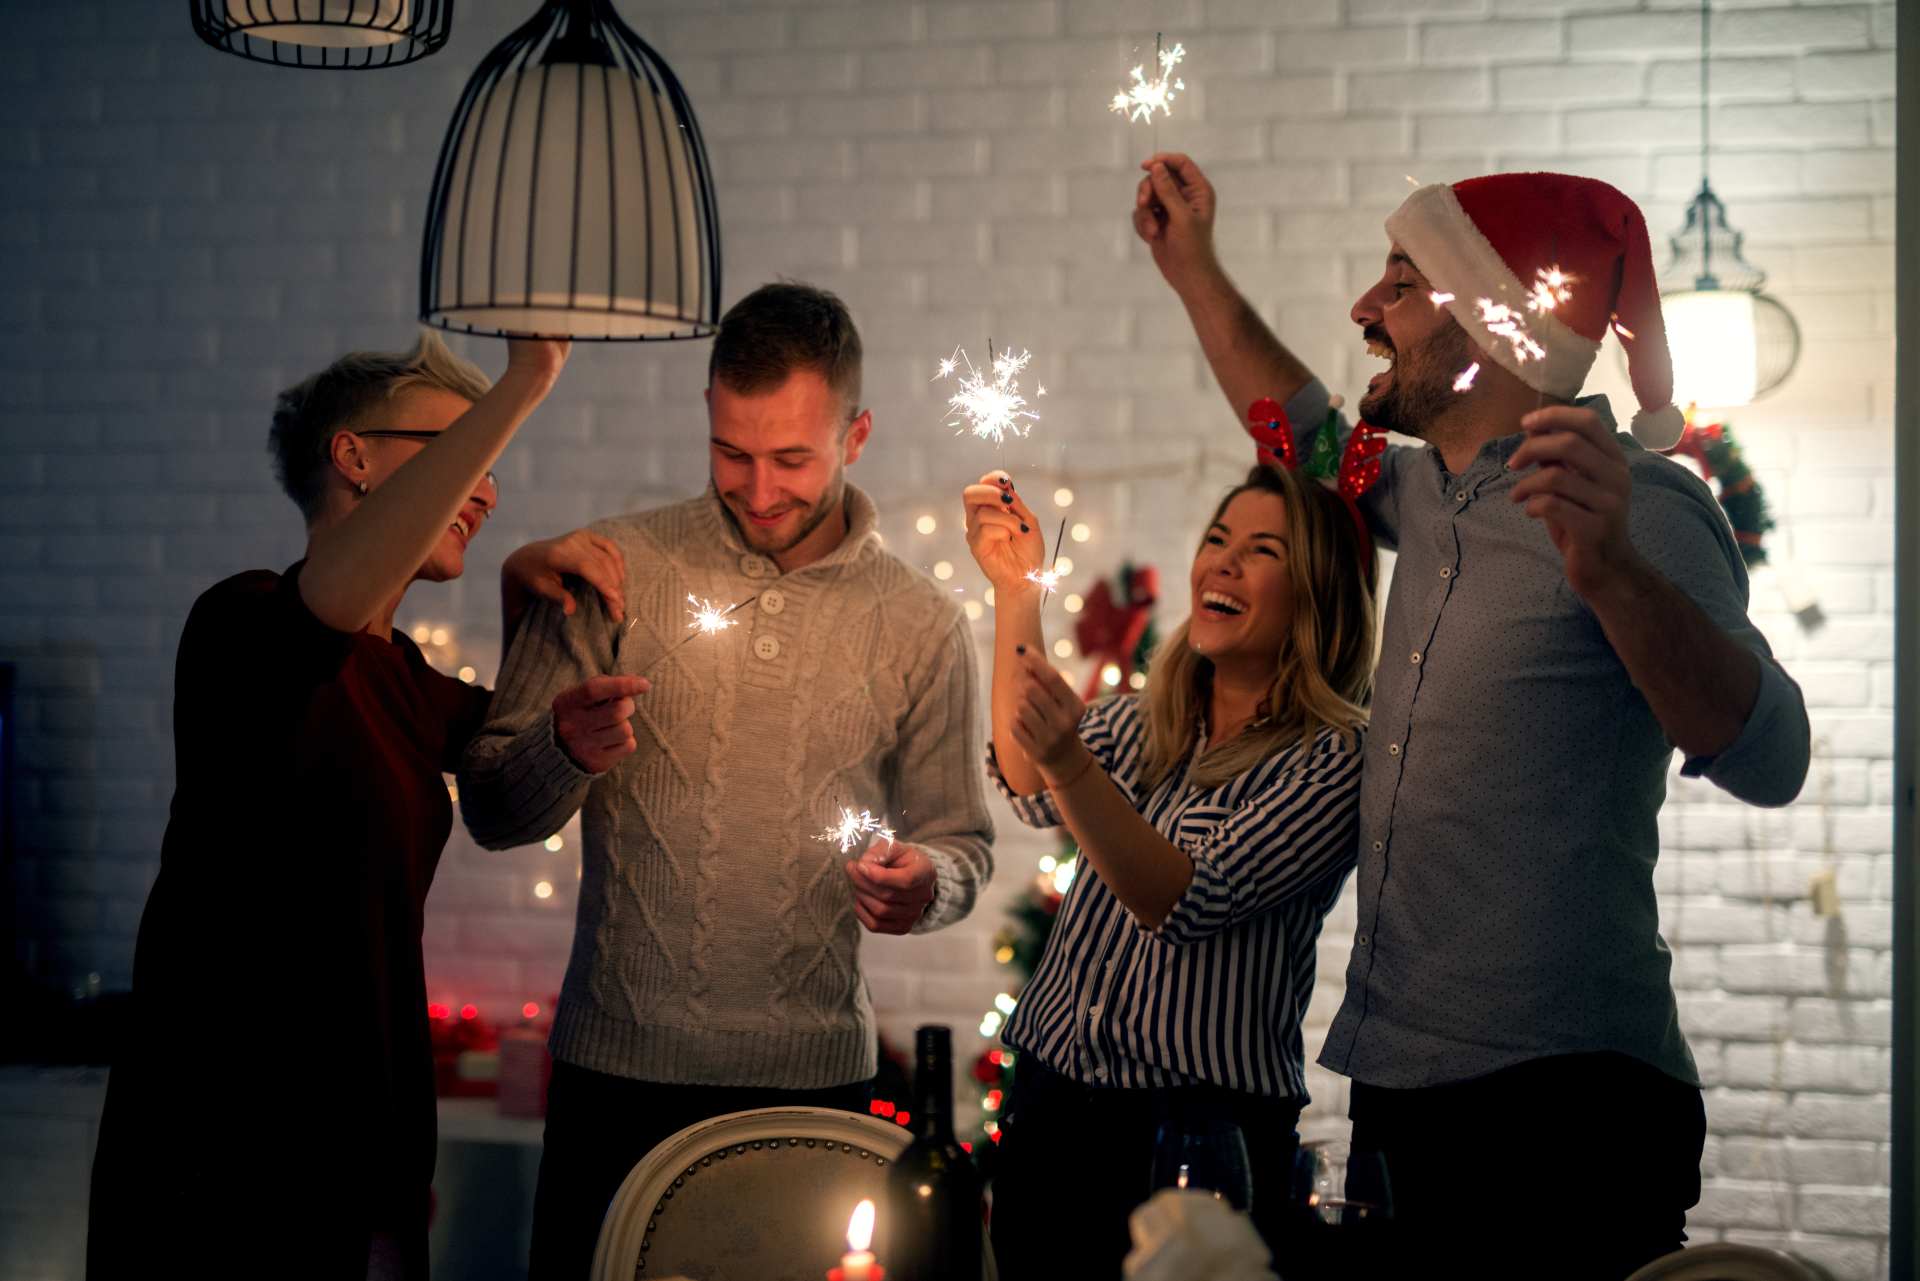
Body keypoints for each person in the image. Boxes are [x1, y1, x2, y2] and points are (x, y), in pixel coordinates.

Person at [1134, 154, 1813, 1279]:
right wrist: (1193, 267)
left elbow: (1772, 756)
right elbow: (1297, 433)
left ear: (1493, 322)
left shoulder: (1644, 505)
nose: (1364, 309)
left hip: (1566, 1106)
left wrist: (1608, 571)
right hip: (1402, 1082)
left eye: (1398, 283)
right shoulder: (1426, 492)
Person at [454, 281, 996, 1281]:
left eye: (792, 458)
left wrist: (927, 883)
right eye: (731, 453)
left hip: (814, 1094)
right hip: (612, 1082)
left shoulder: (920, 620)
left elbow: (963, 842)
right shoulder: (610, 567)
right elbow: (490, 809)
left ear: (857, 434)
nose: (757, 490)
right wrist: (559, 750)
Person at [88, 331, 628, 1280]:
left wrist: (513, 591)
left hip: (367, 1150)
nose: (489, 488)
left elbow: (507, 756)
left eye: (492, 465)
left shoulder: (411, 679)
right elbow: (325, 609)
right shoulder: (242, 623)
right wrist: (528, 377)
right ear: (353, 456)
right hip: (221, 1155)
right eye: (461, 450)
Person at [968, 459, 1376, 1280]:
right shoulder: (1149, 721)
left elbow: (1184, 895)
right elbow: (1024, 776)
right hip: (1051, 1111)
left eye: (1262, 550)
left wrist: (1069, 762)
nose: (1221, 562)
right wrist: (1018, 591)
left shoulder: (1334, 756)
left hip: (1198, 1139)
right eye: (1217, 538)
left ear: (1318, 594)